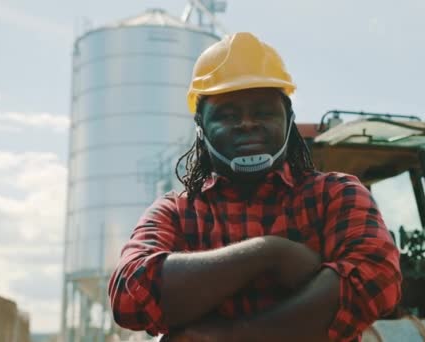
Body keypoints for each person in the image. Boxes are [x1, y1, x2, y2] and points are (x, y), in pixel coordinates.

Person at [108, 32, 401, 342]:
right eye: (227, 114)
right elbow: (131, 297)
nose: (247, 123)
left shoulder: (336, 194)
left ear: (288, 119)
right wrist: (269, 252)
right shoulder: (175, 212)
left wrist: (232, 336)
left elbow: (376, 281)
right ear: (201, 128)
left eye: (263, 112)